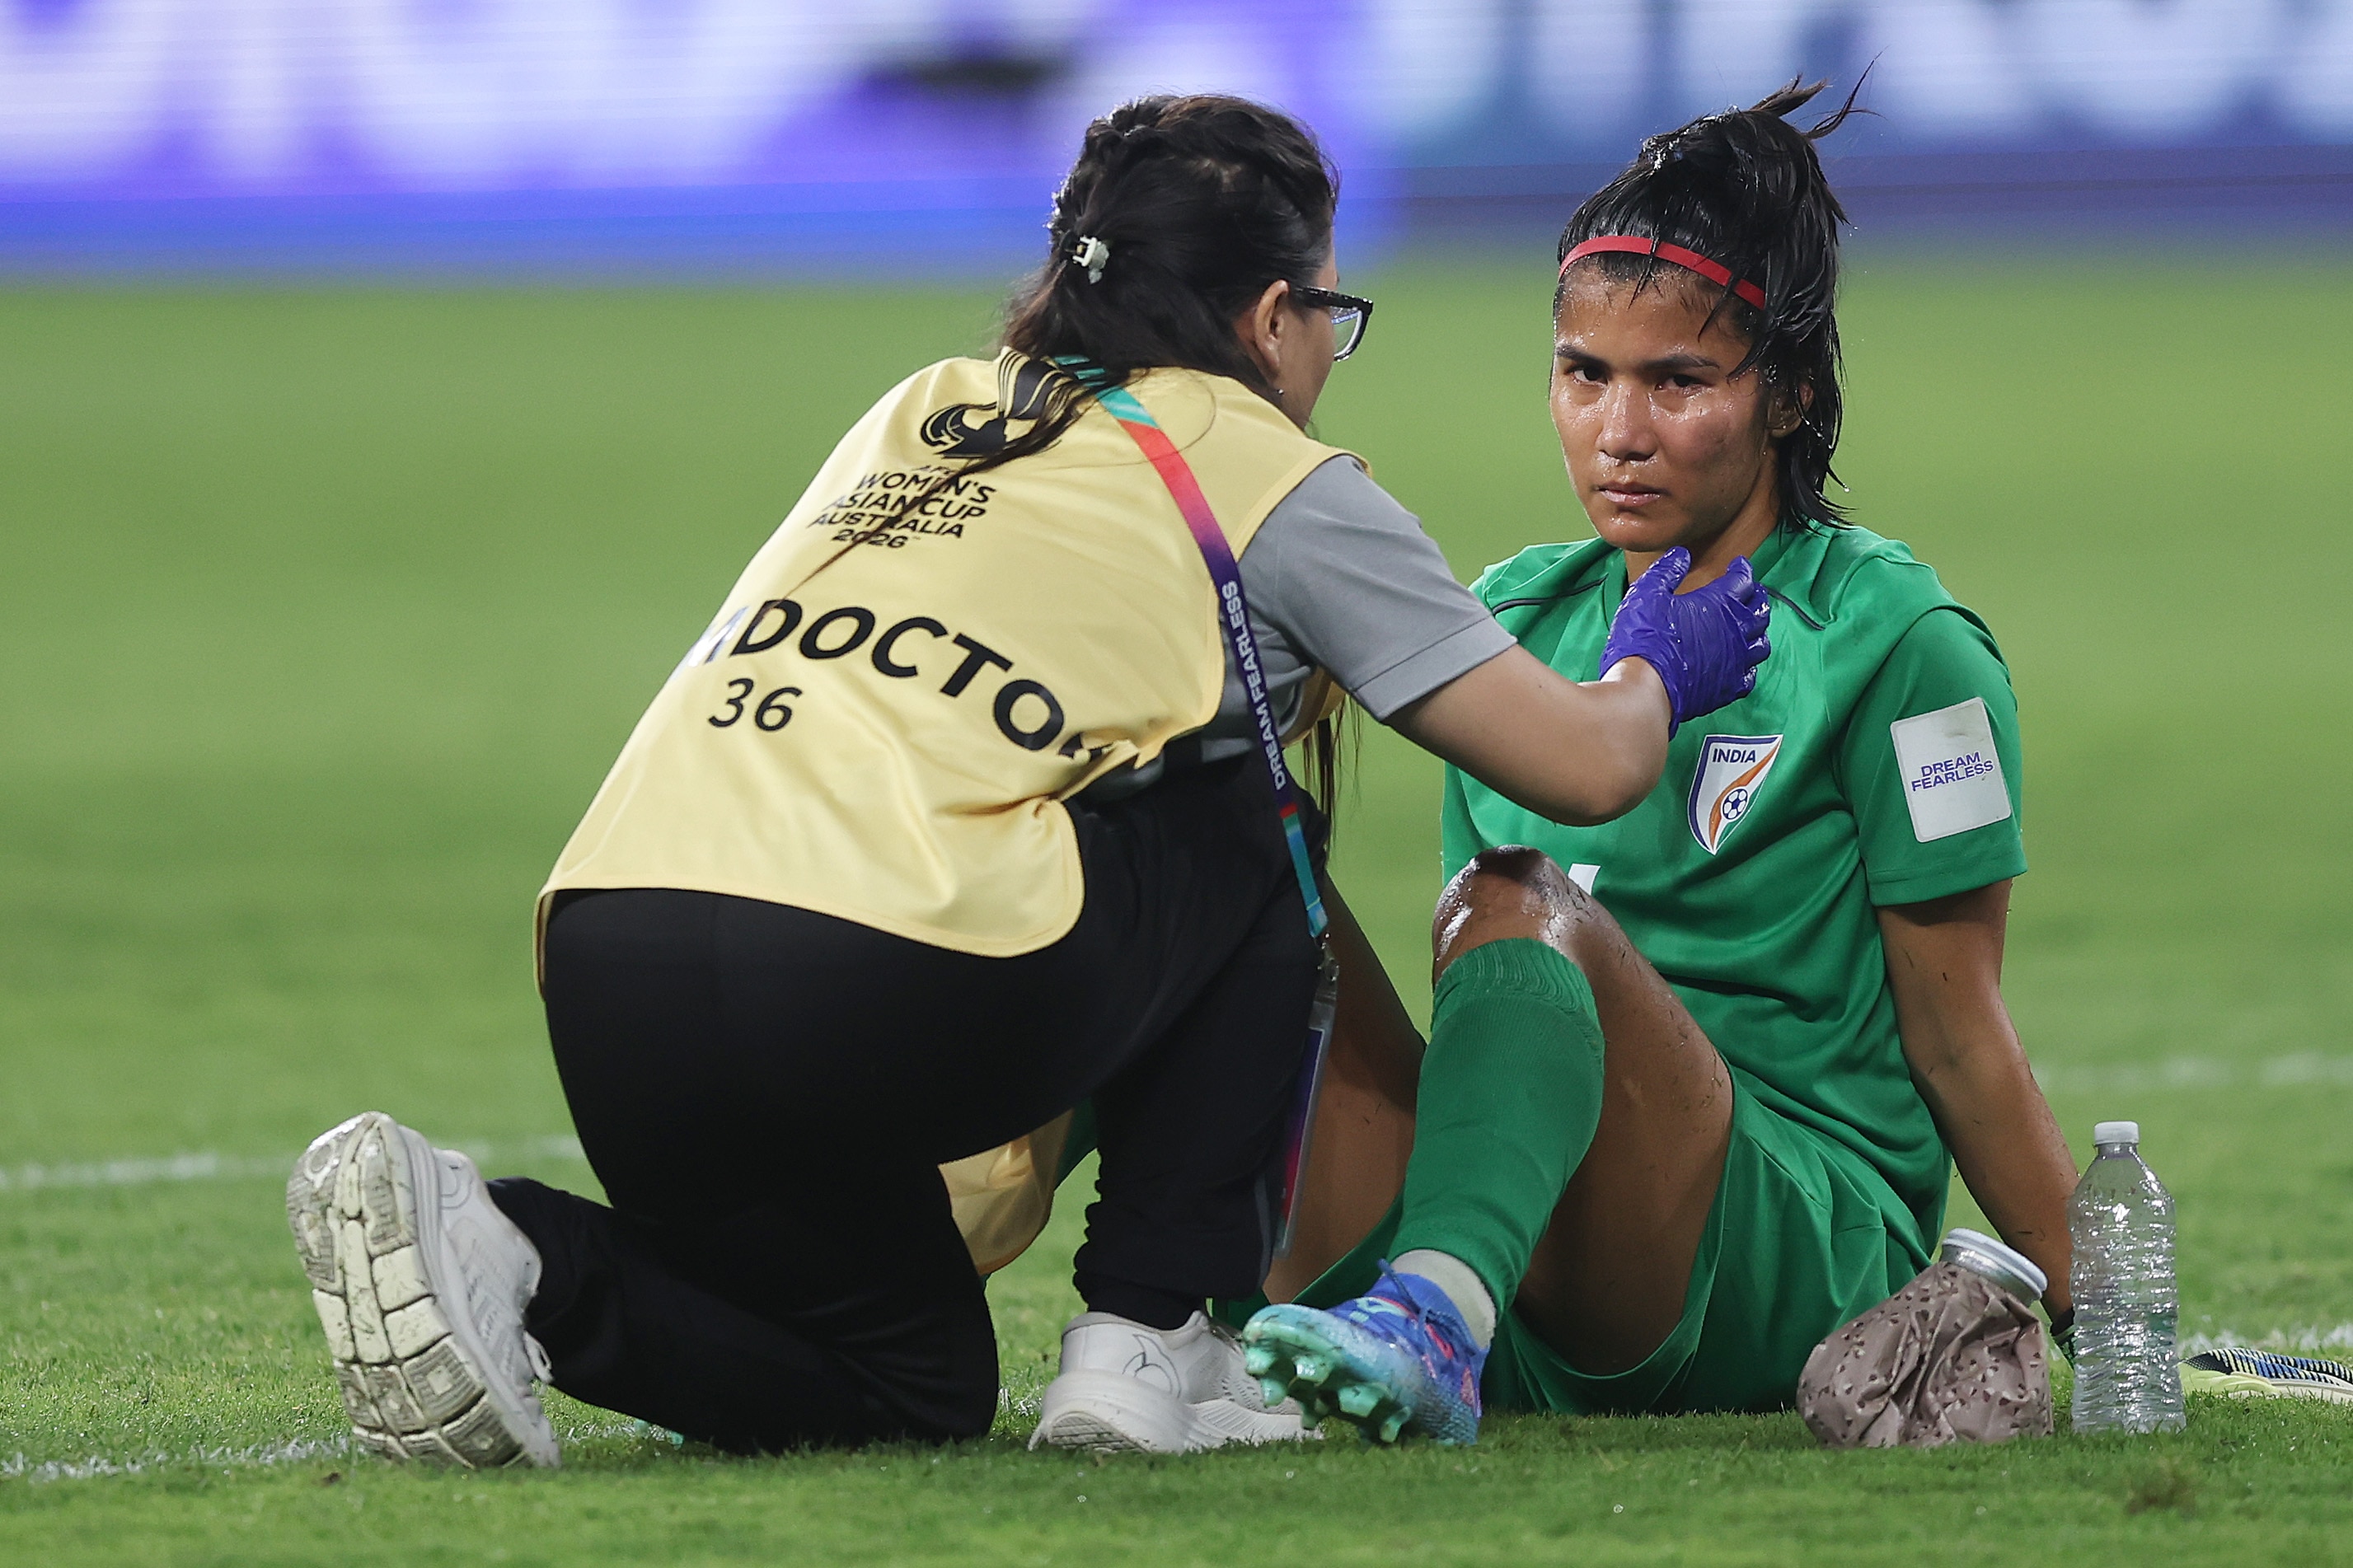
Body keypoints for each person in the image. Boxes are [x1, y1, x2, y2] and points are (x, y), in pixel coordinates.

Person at [280, 93, 1770, 1467]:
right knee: (1246, 814)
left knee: (906, 1382)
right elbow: (1584, 765)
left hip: (610, 962)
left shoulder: (926, 404)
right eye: (1330, 312)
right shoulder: (1268, 474)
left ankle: (511, 1252)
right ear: (1272, 317)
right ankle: (1149, 1336)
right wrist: (1658, 657)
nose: (1328, 350)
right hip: (868, 966)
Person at [1237, 82, 2082, 1446]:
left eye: (1678, 381)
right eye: (1585, 373)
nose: (1618, 429)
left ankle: (1433, 1317)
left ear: (1788, 394)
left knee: (1515, 899)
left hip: (1788, 1238)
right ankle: (1112, 1321)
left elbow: (1960, 1035)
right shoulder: (1512, 623)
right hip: (1536, 1239)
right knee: (1213, 855)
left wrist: (2115, 1320)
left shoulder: (1903, 647)